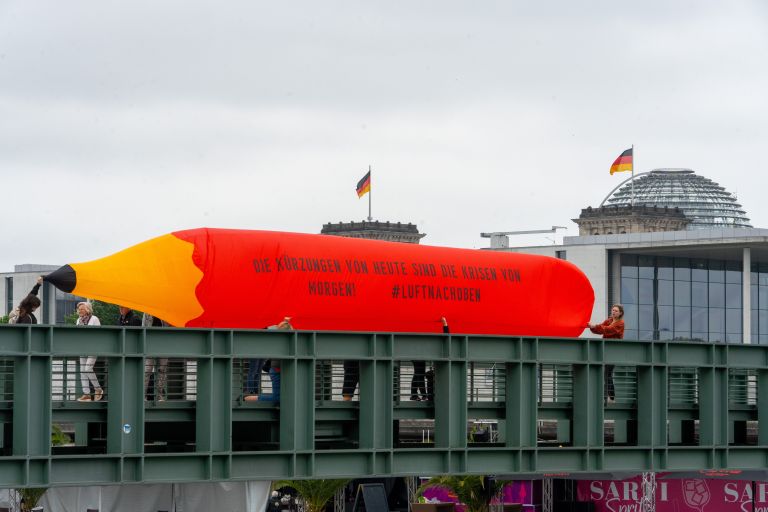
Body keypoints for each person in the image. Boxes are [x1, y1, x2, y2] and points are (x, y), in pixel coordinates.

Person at [245, 317, 292, 402]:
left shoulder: (274, 328)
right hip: (257, 350)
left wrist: (286, 320)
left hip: (261, 350)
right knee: (254, 371)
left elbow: (282, 326)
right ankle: (251, 391)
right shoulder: (273, 328)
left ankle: (253, 391)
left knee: (256, 371)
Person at [587, 304, 625, 404]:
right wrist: (592, 327)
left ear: (620, 313)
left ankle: (611, 397)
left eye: (616, 311)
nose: (613, 312)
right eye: (613, 310)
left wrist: (595, 326)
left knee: (607, 373)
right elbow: (601, 329)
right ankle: (609, 397)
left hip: (613, 351)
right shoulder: (608, 321)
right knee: (606, 373)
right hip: (605, 350)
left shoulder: (620, 323)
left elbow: (608, 330)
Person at [76, 302, 102, 402]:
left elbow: (98, 334)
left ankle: (98, 389)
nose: (79, 311)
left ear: (87, 310)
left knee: (87, 369)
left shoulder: (94, 319)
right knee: (83, 371)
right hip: (82, 348)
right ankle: (86, 394)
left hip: (93, 348)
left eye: (82, 309)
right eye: (79, 309)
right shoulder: (78, 320)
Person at [142, 314, 169, 401]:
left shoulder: (165, 311)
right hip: (149, 343)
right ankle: (143, 395)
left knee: (162, 369)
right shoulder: (147, 313)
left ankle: (159, 395)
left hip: (163, 343)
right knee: (147, 369)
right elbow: (143, 327)